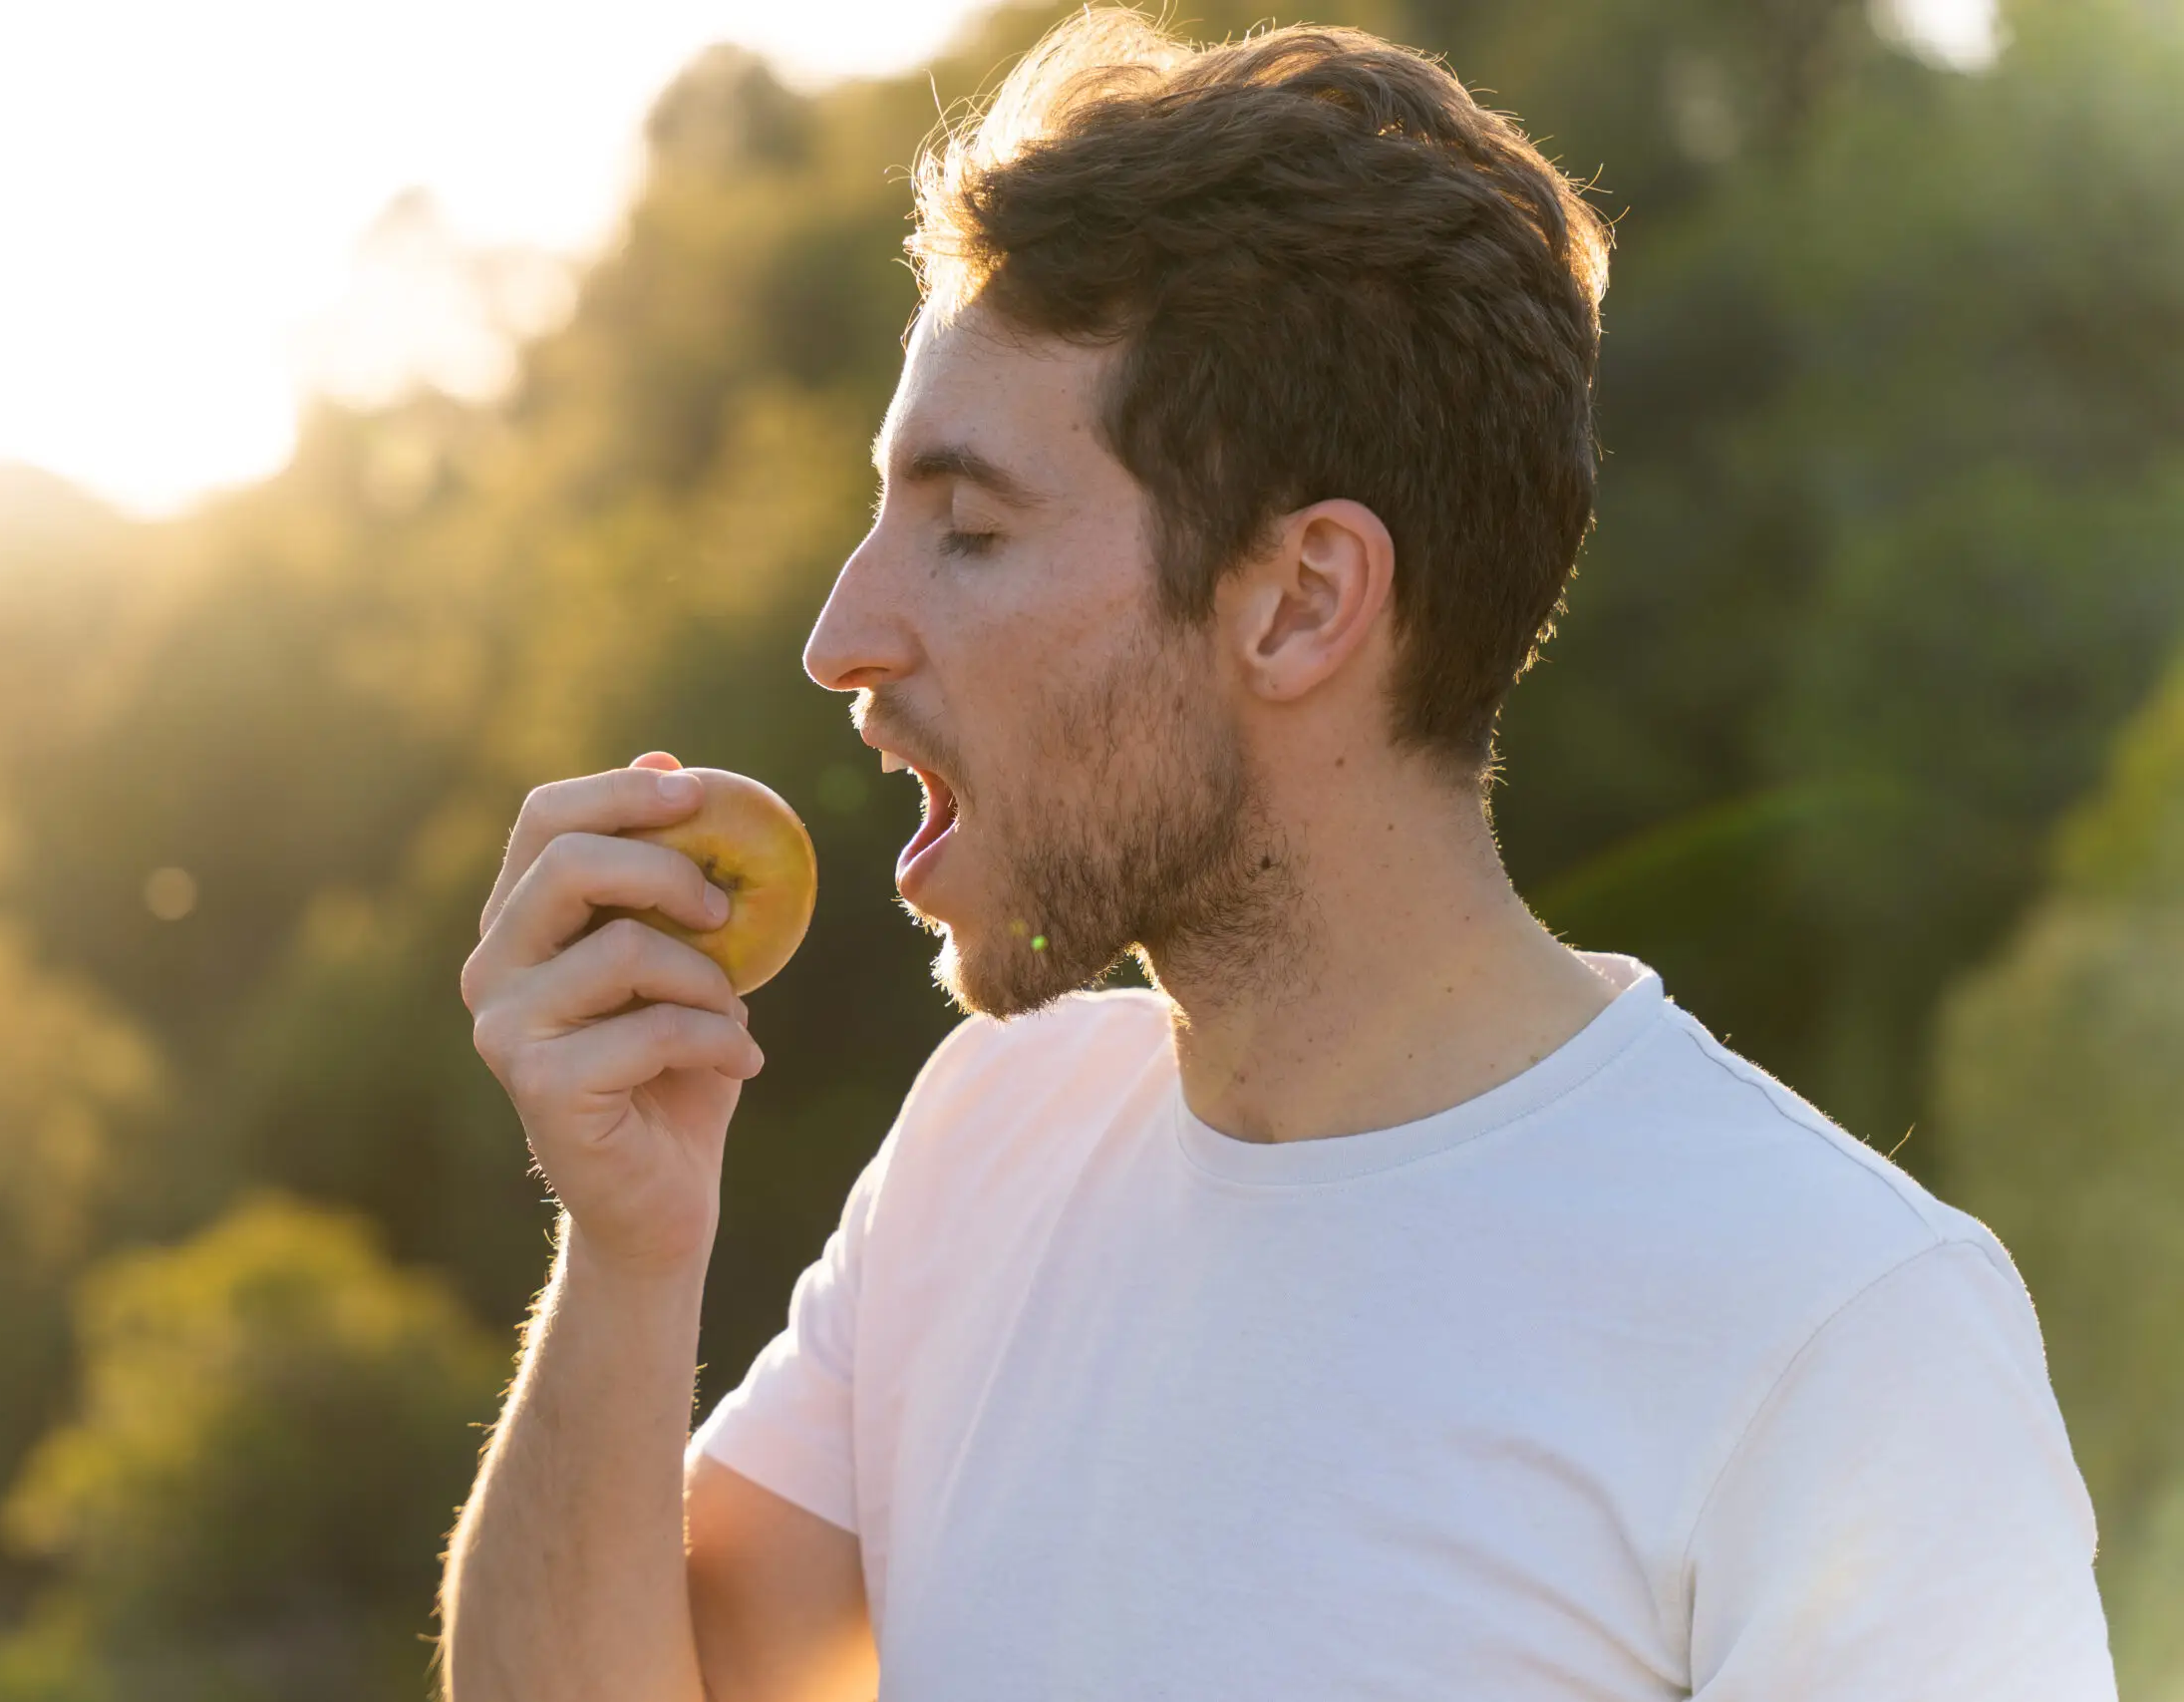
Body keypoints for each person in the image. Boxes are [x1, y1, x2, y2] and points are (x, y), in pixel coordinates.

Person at [439, 11, 2117, 1699]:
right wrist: (630, 1246)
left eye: (968, 528)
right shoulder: (982, 1148)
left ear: (1303, 599)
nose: (842, 634)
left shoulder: (1839, 1329)